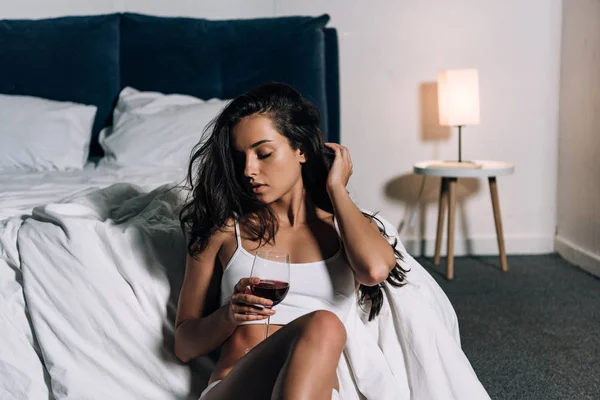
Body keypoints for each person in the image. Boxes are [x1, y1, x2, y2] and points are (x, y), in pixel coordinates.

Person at [175, 82, 408, 399]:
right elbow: (184, 346)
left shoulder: (348, 228)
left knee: (324, 325)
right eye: (240, 157)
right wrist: (228, 315)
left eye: (264, 153)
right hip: (238, 389)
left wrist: (336, 189)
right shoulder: (226, 231)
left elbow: (375, 270)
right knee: (324, 323)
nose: (249, 170)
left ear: (301, 150)